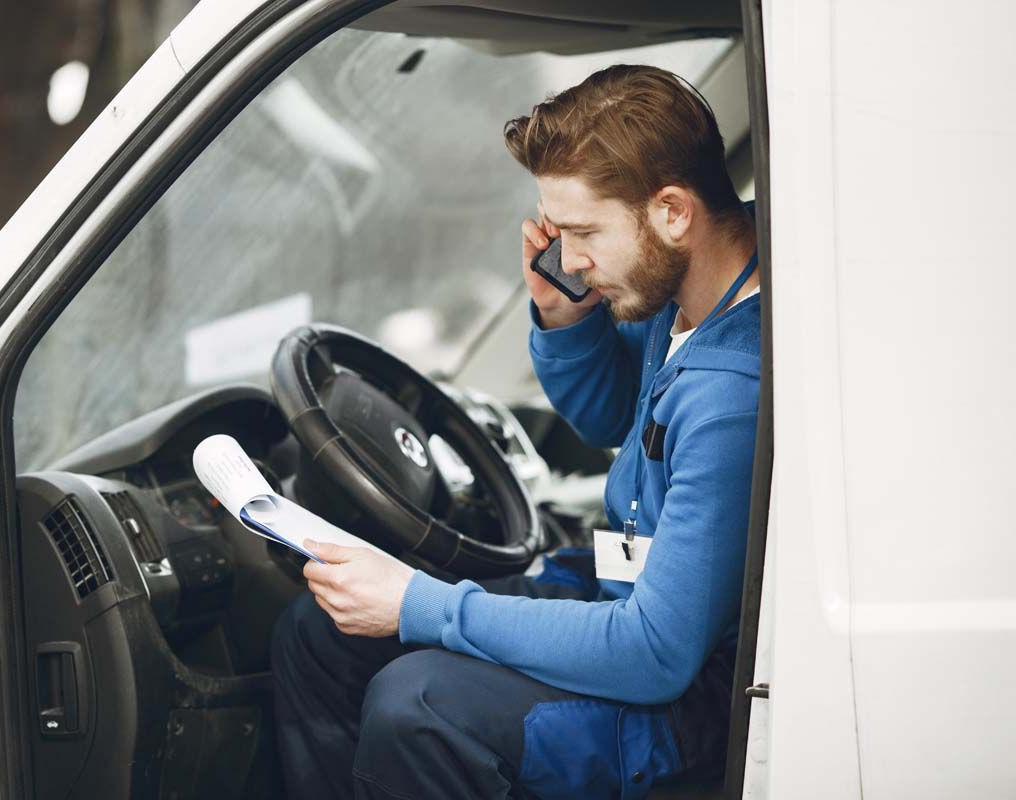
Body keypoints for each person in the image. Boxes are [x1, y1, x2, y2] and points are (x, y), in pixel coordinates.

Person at [271, 64, 759, 800]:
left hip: (690, 694)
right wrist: (565, 313)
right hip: (618, 589)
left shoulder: (734, 396)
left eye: (584, 232)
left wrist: (416, 602)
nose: (570, 259)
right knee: (324, 631)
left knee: (419, 709)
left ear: (672, 212)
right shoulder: (688, 284)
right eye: (556, 232)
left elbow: (655, 653)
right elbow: (608, 416)